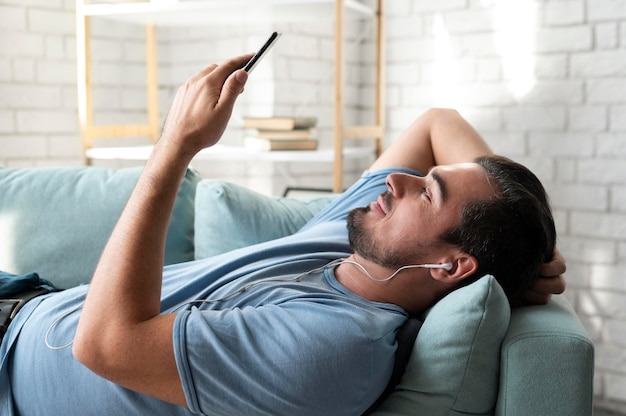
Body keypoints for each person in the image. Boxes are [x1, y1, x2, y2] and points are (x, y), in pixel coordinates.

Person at [0, 53, 566, 416]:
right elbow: (436, 122)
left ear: (449, 268)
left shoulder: (334, 347)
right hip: (25, 296)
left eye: (429, 192)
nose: (398, 179)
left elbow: (102, 346)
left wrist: (176, 145)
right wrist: (531, 244)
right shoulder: (354, 244)